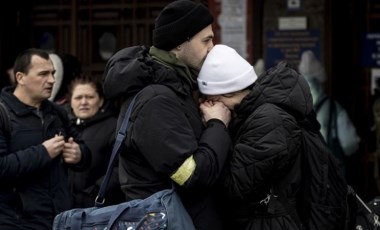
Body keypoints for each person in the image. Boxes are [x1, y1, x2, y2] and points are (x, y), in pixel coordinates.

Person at [102, 1, 232, 229]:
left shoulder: (175, 88)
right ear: (180, 44)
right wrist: (216, 124)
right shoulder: (156, 100)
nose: (213, 47)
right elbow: (192, 177)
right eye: (206, 40)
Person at [197, 44, 310, 229]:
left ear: (230, 92)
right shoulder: (249, 115)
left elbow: (233, 188)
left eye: (211, 101)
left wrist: (216, 125)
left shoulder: (268, 121)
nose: (206, 107)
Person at [0, 48, 91, 229]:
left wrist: (79, 154)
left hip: (59, 220)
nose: (51, 80)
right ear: (20, 77)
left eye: (53, 73)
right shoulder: (3, 113)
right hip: (16, 222)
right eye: (43, 74)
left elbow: (84, 150)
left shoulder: (57, 112)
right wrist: (43, 152)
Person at [298, 50, 360, 177]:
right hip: (329, 178)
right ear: (321, 82)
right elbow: (350, 144)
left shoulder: (293, 108)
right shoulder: (334, 108)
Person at [67, 74, 123, 208]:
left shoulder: (114, 127)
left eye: (90, 97)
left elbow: (120, 167)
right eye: (78, 97)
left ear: (101, 101)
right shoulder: (64, 127)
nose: (84, 102)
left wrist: (97, 191)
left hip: (100, 207)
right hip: (66, 208)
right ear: (71, 102)